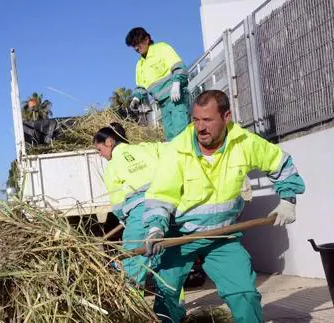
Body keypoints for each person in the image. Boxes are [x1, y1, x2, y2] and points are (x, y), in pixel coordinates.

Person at [141, 90, 306, 322]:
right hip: (180, 238)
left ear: (226, 117)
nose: (200, 127)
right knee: (166, 299)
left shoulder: (244, 143)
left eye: (207, 120)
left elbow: (282, 163)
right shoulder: (178, 150)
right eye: (196, 120)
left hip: (223, 236)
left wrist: (288, 200)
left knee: (245, 295)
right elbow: (161, 196)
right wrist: (156, 228)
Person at [93, 122, 185, 303]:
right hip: (166, 210)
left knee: (133, 264)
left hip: (139, 216)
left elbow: (118, 203)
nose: (100, 154)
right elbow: (172, 150)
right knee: (166, 263)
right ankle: (174, 309)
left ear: (110, 141)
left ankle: (133, 309)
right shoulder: (146, 148)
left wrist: (124, 219)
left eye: (99, 148)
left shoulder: (112, 166)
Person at [125, 27, 190, 142]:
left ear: (147, 39)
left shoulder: (162, 48)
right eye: (133, 45)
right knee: (170, 137)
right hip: (163, 104)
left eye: (137, 43)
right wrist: (136, 98)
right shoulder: (140, 65)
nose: (136, 48)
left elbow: (179, 67)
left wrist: (176, 83)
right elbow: (141, 87)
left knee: (182, 134)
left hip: (177, 98)